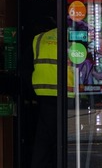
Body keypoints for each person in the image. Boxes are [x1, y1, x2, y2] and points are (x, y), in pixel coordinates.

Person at [30, 22, 57, 168]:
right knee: (64, 139)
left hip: (44, 95)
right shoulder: (71, 38)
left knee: (44, 140)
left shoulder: (38, 39)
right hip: (68, 95)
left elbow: (28, 66)